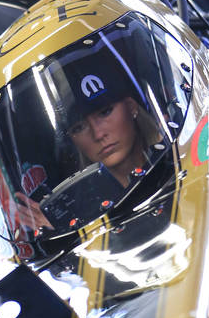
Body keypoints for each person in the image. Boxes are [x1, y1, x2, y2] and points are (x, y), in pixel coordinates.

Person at [14, 91, 157, 234]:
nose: (98, 134)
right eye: (79, 127)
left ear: (131, 106)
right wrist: (60, 231)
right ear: (73, 140)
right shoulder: (78, 213)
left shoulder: (170, 156)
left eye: (105, 112)